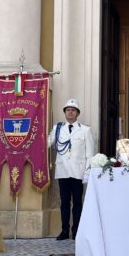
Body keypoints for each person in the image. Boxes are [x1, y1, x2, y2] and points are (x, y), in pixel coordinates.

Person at [47, 98, 95, 240]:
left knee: (77, 203)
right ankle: (64, 231)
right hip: (63, 171)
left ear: (77, 113)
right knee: (64, 203)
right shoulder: (57, 128)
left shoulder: (85, 130)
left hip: (78, 172)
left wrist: (87, 172)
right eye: (68, 110)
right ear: (65, 112)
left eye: (73, 110)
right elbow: (47, 143)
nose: (70, 112)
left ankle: (76, 231)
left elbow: (90, 153)